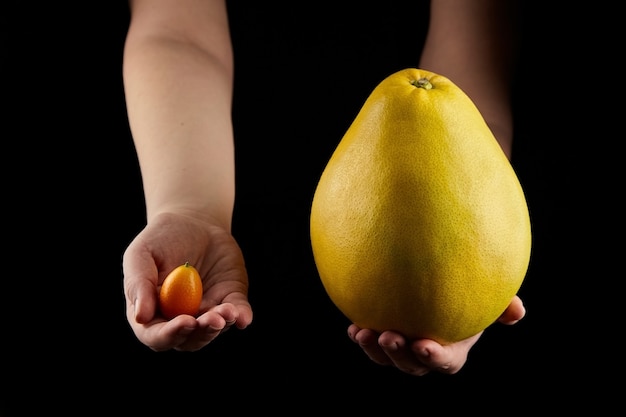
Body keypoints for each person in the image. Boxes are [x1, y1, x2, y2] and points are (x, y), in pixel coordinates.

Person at [121, 0, 526, 377]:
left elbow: (472, 49)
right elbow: (178, 31)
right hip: (234, 220)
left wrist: (476, 265)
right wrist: (191, 208)